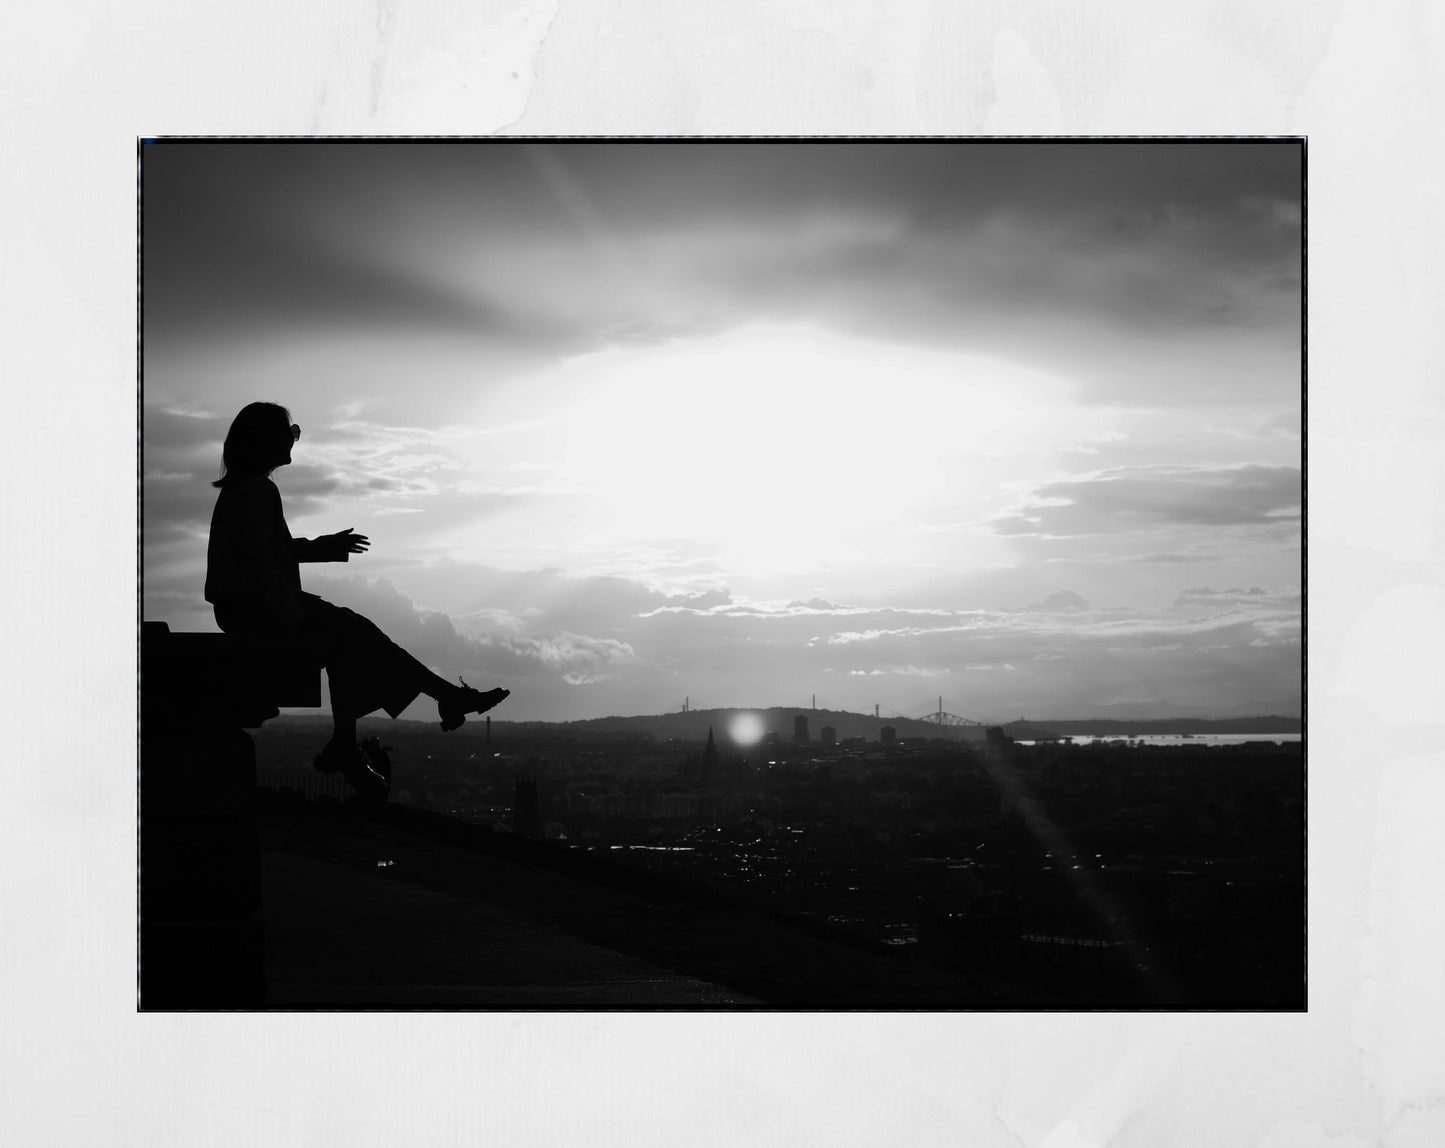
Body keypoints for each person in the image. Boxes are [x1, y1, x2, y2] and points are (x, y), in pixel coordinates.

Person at [204, 401, 509, 794]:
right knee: (352, 633)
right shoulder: (257, 490)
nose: (293, 441)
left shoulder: (246, 489)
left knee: (350, 633)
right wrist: (292, 619)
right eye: (289, 433)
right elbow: (262, 563)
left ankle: (359, 737)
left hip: (247, 608)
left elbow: (272, 550)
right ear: (266, 441)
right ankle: (438, 702)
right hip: (257, 609)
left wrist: (323, 547)